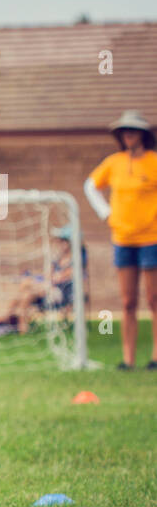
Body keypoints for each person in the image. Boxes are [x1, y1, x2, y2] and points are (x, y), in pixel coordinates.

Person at [83, 109, 157, 369]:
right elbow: (90, 186)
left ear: (142, 135)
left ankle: (155, 357)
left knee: (153, 298)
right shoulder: (113, 162)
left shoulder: (153, 162)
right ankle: (128, 359)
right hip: (123, 239)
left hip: (151, 239)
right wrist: (106, 213)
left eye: (133, 131)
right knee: (128, 301)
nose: (128, 135)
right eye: (125, 131)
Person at [0, 228, 83, 333]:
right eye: (60, 241)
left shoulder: (77, 260)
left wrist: (49, 281)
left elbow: (62, 278)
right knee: (27, 293)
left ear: (71, 242)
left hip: (62, 294)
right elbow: (49, 276)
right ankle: (22, 326)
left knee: (27, 283)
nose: (61, 243)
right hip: (47, 289)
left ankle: (8, 316)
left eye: (63, 241)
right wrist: (47, 280)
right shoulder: (58, 259)